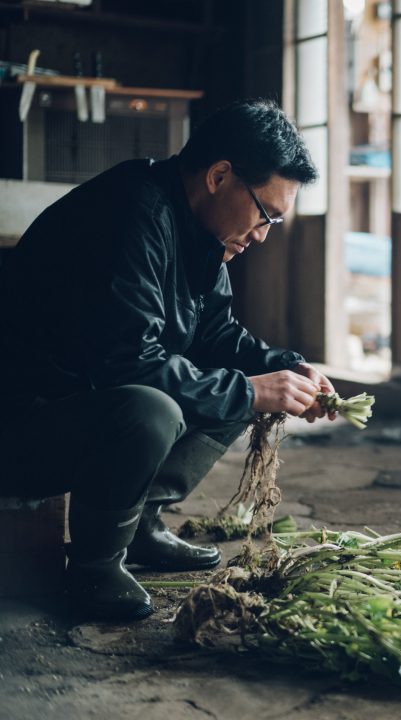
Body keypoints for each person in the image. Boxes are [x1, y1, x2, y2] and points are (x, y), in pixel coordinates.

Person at [0, 99, 337, 621]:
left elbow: (218, 335)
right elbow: (130, 363)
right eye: (265, 214)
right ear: (219, 176)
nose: (264, 234)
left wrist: (289, 368)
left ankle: (140, 528)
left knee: (240, 386)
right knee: (154, 409)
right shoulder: (128, 214)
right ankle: (94, 567)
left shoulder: (202, 232)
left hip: (76, 410)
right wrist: (252, 390)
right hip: (21, 422)